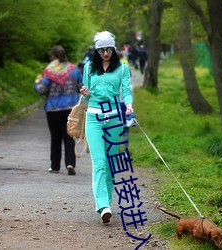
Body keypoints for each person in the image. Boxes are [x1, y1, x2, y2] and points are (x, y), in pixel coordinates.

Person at [80, 31, 133, 223]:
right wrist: (85, 92)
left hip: (114, 119)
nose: (105, 53)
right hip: (93, 118)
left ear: (114, 48)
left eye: (109, 49)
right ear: (96, 50)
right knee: (100, 163)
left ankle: (107, 201)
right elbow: (86, 97)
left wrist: (128, 104)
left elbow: (125, 90)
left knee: (111, 164)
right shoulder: (88, 68)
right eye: (101, 50)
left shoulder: (122, 68)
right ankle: (103, 205)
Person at [34, 45, 83, 175]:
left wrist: (37, 83)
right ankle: (70, 163)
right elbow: (81, 87)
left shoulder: (49, 71)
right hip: (70, 109)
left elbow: (42, 90)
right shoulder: (74, 70)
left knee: (55, 138)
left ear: (53, 57)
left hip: (53, 109)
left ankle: (55, 166)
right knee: (69, 137)